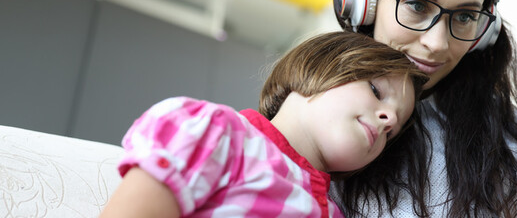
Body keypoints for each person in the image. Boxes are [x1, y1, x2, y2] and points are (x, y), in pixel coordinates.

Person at [99, 31, 428, 218]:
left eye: (392, 131)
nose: (388, 118)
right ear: (320, 65)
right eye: (375, 90)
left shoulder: (333, 212)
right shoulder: (215, 132)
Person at [331, 0, 517, 217]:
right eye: (416, 5)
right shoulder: (319, 101)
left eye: (465, 16)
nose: (437, 44)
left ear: (483, 31)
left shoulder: (514, 141)